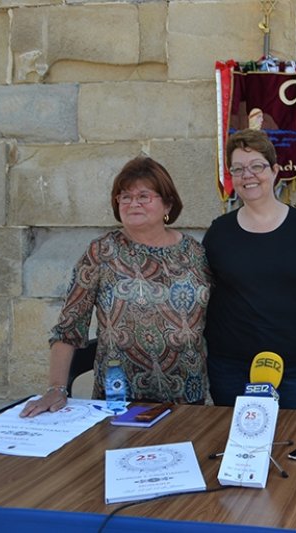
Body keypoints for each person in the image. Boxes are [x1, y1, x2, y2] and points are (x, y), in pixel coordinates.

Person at [20, 157, 212, 417]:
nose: (133, 203)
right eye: (125, 197)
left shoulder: (195, 252)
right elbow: (68, 328)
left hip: (188, 399)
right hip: (119, 400)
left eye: (143, 196)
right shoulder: (102, 252)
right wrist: (56, 388)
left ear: (168, 204)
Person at [203, 129, 296, 409]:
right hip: (231, 368)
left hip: (295, 368)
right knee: (232, 437)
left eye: (257, 166)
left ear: (275, 171)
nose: (248, 175)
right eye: (238, 169)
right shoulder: (219, 232)